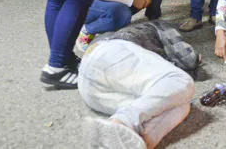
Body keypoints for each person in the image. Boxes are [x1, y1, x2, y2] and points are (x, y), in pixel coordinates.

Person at [78, 20, 199, 149]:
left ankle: (138, 142)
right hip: (110, 52)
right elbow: (188, 60)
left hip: (89, 89)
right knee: (180, 80)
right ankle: (122, 121)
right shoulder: (162, 26)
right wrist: (195, 55)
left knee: (181, 104)